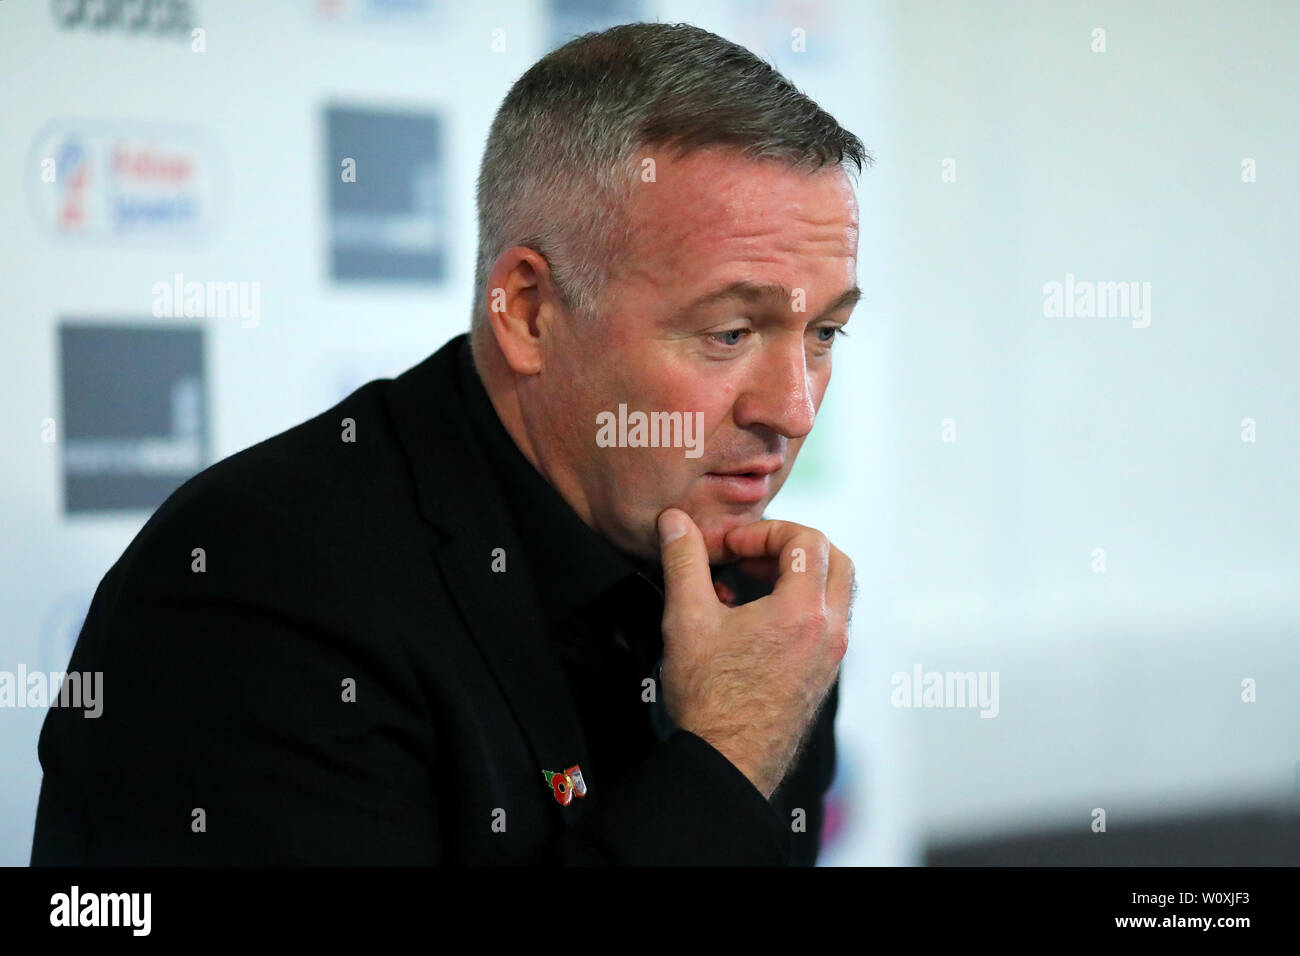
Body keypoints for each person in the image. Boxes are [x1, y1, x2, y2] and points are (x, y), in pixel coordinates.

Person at [31, 21, 865, 866]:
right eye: (729, 332)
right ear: (531, 312)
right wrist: (723, 756)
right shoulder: (254, 586)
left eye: (825, 331)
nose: (794, 409)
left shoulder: (758, 610)